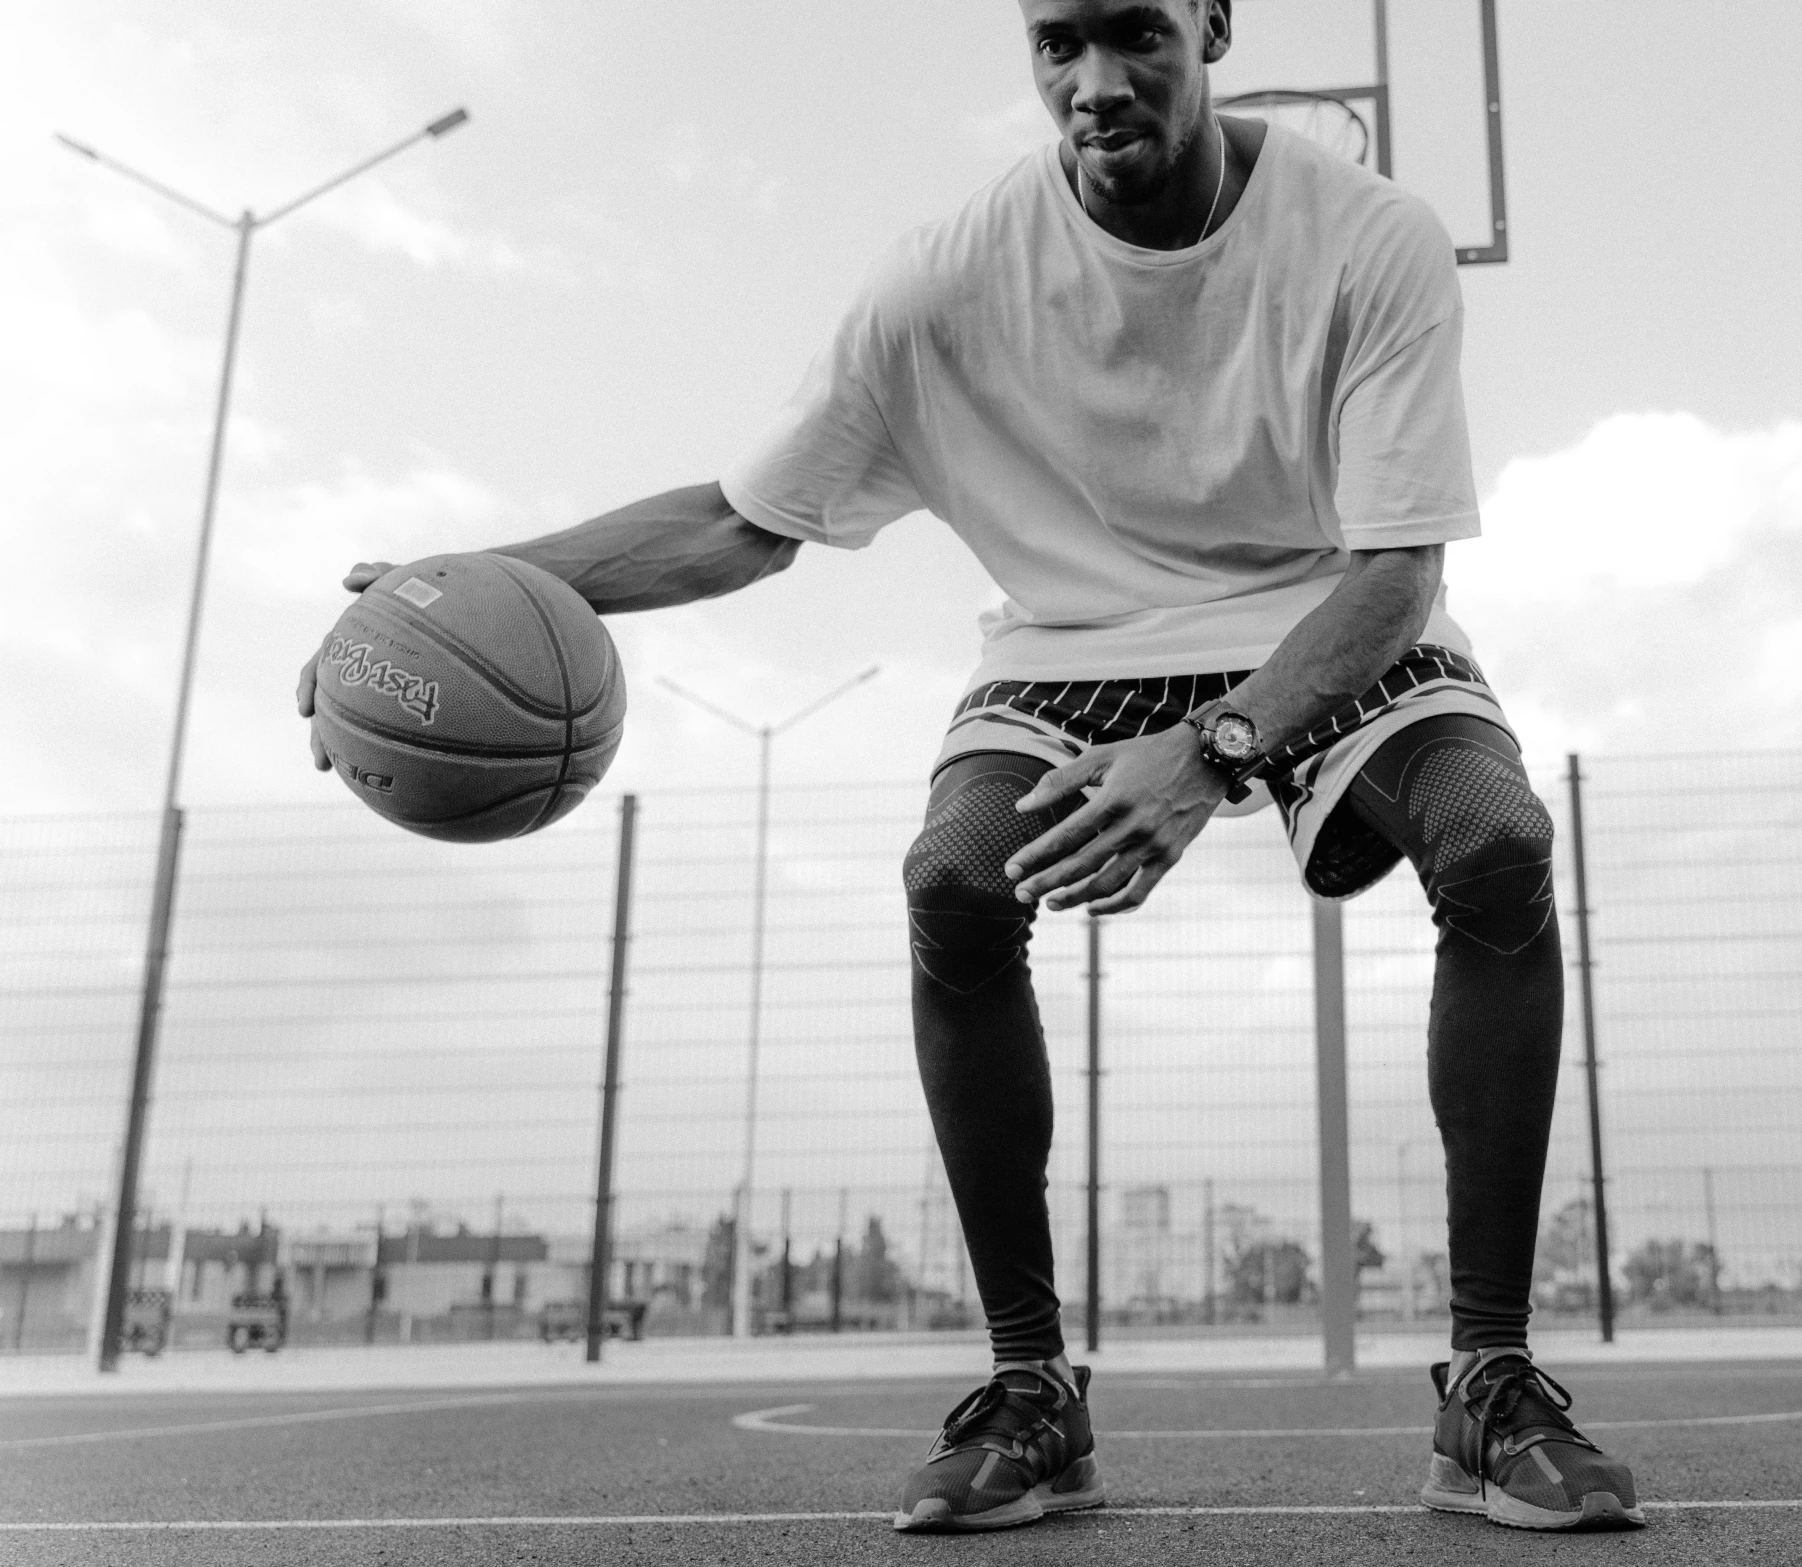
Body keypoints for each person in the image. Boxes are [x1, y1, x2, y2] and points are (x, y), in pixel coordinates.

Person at [296, 0, 1644, 1536]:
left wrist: (1209, 755)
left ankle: (1488, 1381)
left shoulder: (1369, 235)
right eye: (1054, 41)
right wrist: (451, 585)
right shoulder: (944, 279)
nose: (1093, 82)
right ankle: (1030, 1386)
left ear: (1209, 22)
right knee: (949, 880)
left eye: (1133, 33)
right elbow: (744, 521)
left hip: (1326, 610)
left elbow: (1398, 572)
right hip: (1067, 642)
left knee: (1496, 844)